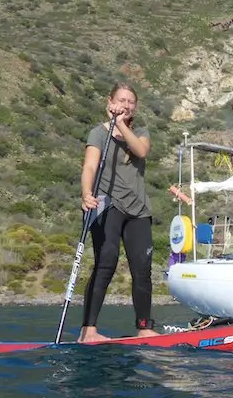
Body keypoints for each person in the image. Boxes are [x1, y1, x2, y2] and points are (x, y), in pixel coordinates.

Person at [78, 82, 159, 343]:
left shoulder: (141, 131)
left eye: (130, 102)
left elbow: (141, 151)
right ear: (109, 101)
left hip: (138, 209)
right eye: (121, 100)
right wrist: (86, 193)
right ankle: (89, 330)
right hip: (106, 203)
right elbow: (90, 166)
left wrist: (121, 124)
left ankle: (144, 327)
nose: (126, 105)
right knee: (106, 262)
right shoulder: (98, 134)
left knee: (142, 268)